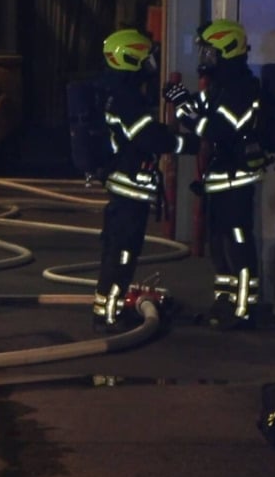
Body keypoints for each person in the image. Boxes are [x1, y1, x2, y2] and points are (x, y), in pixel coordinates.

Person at [94, 28, 199, 332]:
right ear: (131, 59)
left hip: (122, 186)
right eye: (146, 59)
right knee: (122, 254)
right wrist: (187, 144)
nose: (150, 65)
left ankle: (107, 311)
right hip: (131, 189)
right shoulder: (128, 99)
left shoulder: (115, 92)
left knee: (117, 251)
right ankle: (110, 316)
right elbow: (151, 138)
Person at [163, 18, 263, 330]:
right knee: (218, 244)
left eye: (210, 52)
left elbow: (217, 129)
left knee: (237, 243)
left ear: (227, 50)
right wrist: (181, 102)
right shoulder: (220, 86)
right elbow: (197, 107)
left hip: (237, 178)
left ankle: (244, 308)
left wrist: (187, 113)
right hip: (219, 179)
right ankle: (224, 301)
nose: (205, 59)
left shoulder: (243, 89)